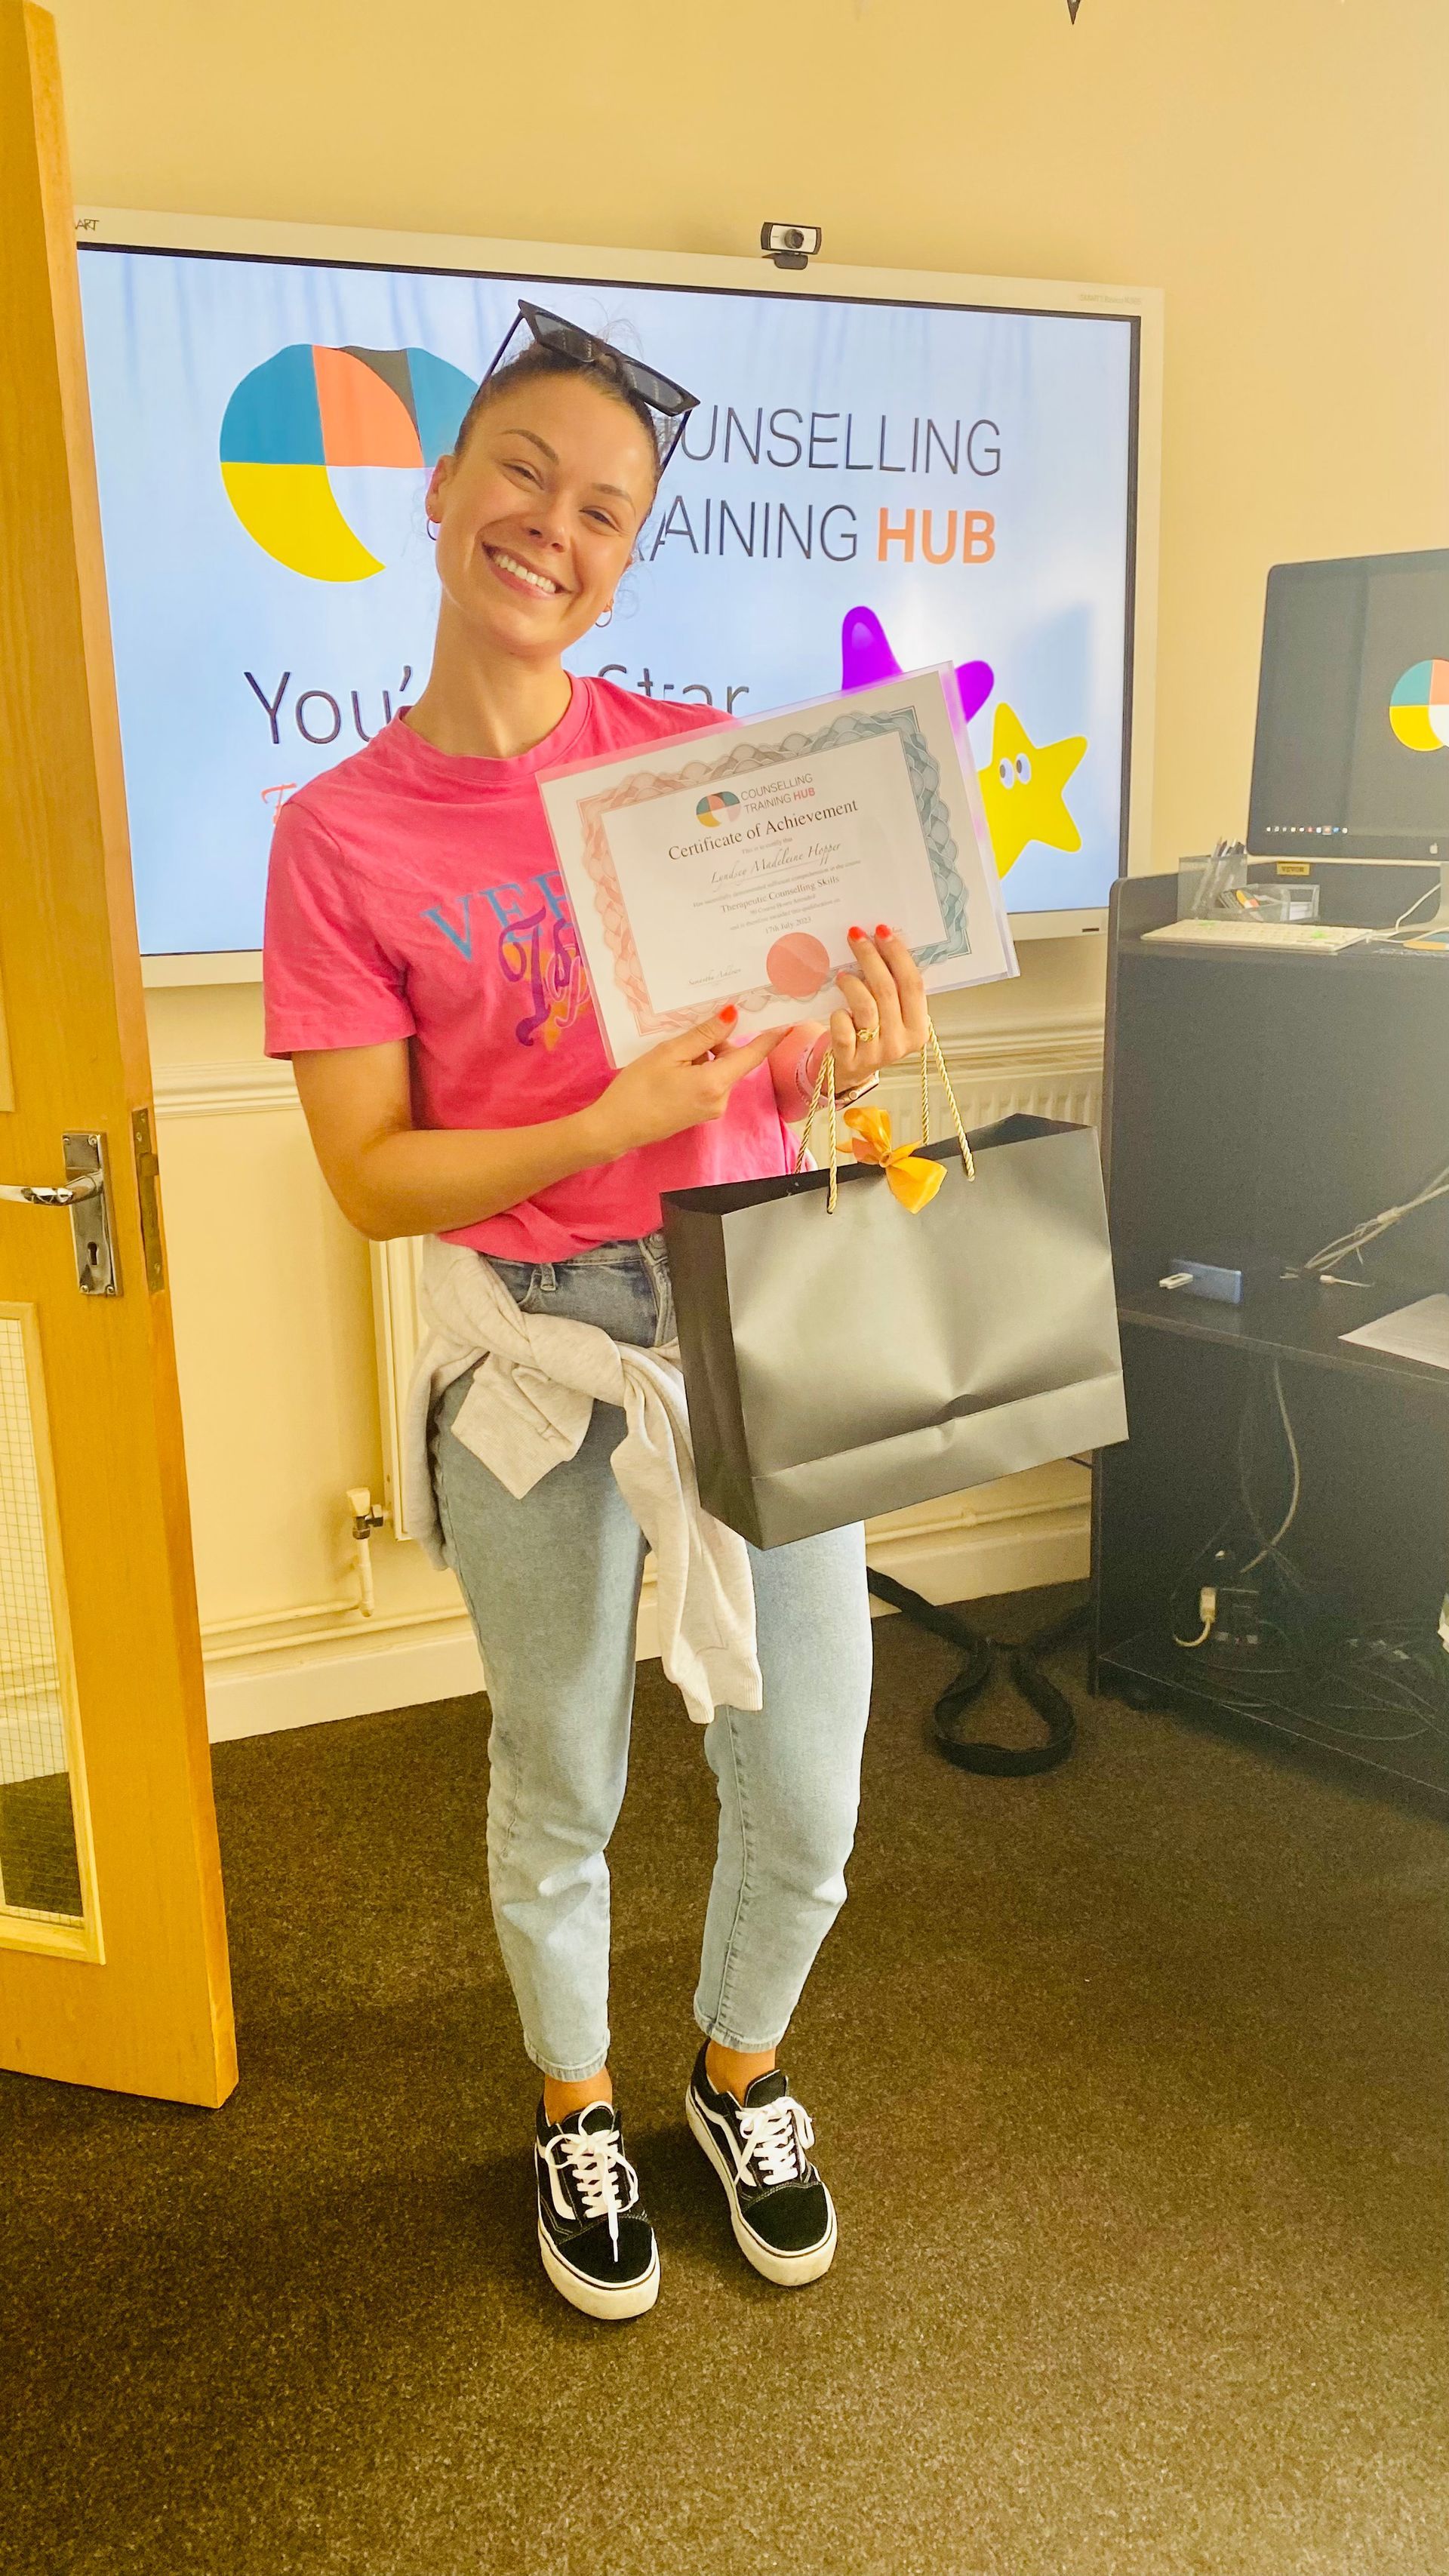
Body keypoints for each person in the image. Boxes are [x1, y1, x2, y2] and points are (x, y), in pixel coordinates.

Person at [263, 307, 928, 2322]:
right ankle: (575, 2104)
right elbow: (372, 1174)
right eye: (526, 474)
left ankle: (739, 2077)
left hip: (745, 1307)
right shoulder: (341, 839)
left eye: (608, 510)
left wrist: (859, 1062)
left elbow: (793, 1070)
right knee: (562, 1770)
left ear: (630, 558)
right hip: (533, 1355)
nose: (556, 525)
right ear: (444, 488)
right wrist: (594, 1113)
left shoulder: (704, 779)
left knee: (805, 1776)